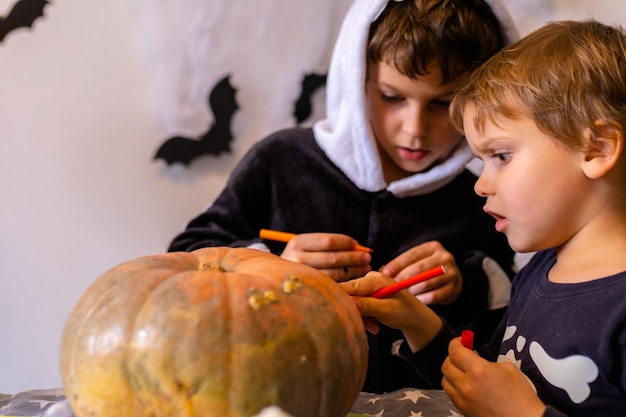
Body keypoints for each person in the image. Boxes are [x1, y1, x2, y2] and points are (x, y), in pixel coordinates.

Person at [168, 0, 519, 393]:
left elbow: (507, 321)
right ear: (356, 78)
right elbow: (186, 257)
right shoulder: (281, 161)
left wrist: (463, 284)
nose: (415, 129)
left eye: (442, 103)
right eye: (391, 96)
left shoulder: (482, 193)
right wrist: (271, 265)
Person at [341, 19, 626, 416]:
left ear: (596, 149)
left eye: (501, 157)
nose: (480, 185)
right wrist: (417, 322)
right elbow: (481, 385)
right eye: (481, 162)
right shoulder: (542, 267)